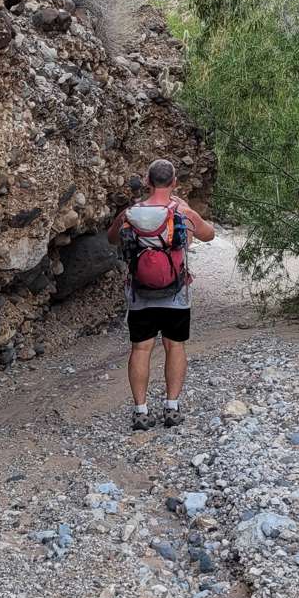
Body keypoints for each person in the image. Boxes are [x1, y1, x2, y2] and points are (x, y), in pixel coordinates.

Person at [107, 159, 214, 430]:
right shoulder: (181, 212)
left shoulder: (130, 213)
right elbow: (209, 235)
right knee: (174, 346)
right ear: (174, 182)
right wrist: (187, 211)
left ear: (147, 181)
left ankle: (141, 411)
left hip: (140, 291)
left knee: (141, 348)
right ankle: (171, 407)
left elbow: (111, 238)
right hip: (175, 291)